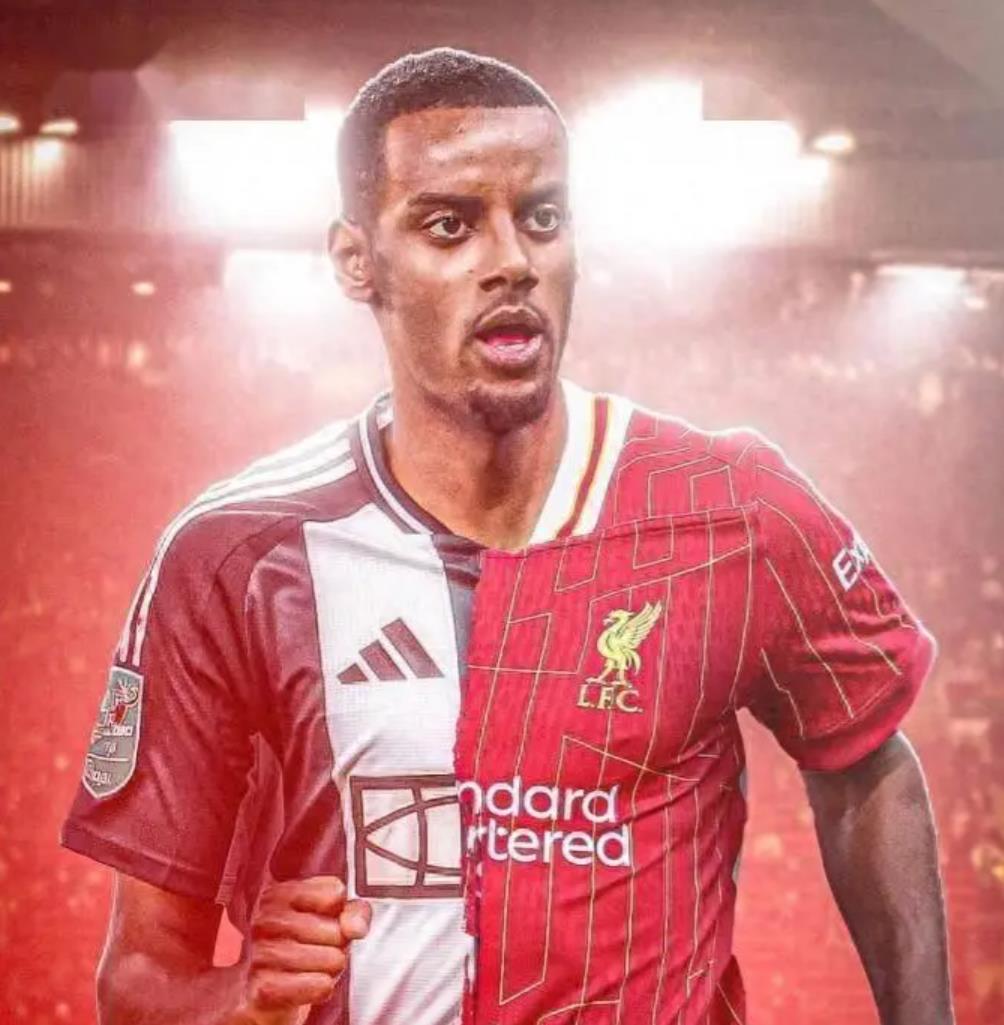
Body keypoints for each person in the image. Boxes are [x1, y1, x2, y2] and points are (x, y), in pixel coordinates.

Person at [61, 47, 954, 1025]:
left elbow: (866, 764)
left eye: (541, 217)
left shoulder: (732, 504)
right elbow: (136, 979)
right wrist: (239, 998)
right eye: (450, 223)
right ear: (357, 260)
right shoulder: (233, 555)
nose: (512, 261)